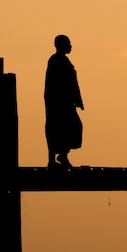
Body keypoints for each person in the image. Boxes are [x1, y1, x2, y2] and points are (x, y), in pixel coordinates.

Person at [44, 35, 84, 169]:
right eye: (69, 43)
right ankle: (53, 159)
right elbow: (58, 83)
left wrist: (77, 100)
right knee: (56, 128)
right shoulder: (55, 60)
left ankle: (63, 155)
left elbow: (72, 82)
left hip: (65, 102)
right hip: (58, 103)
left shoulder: (63, 60)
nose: (71, 46)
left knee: (72, 127)